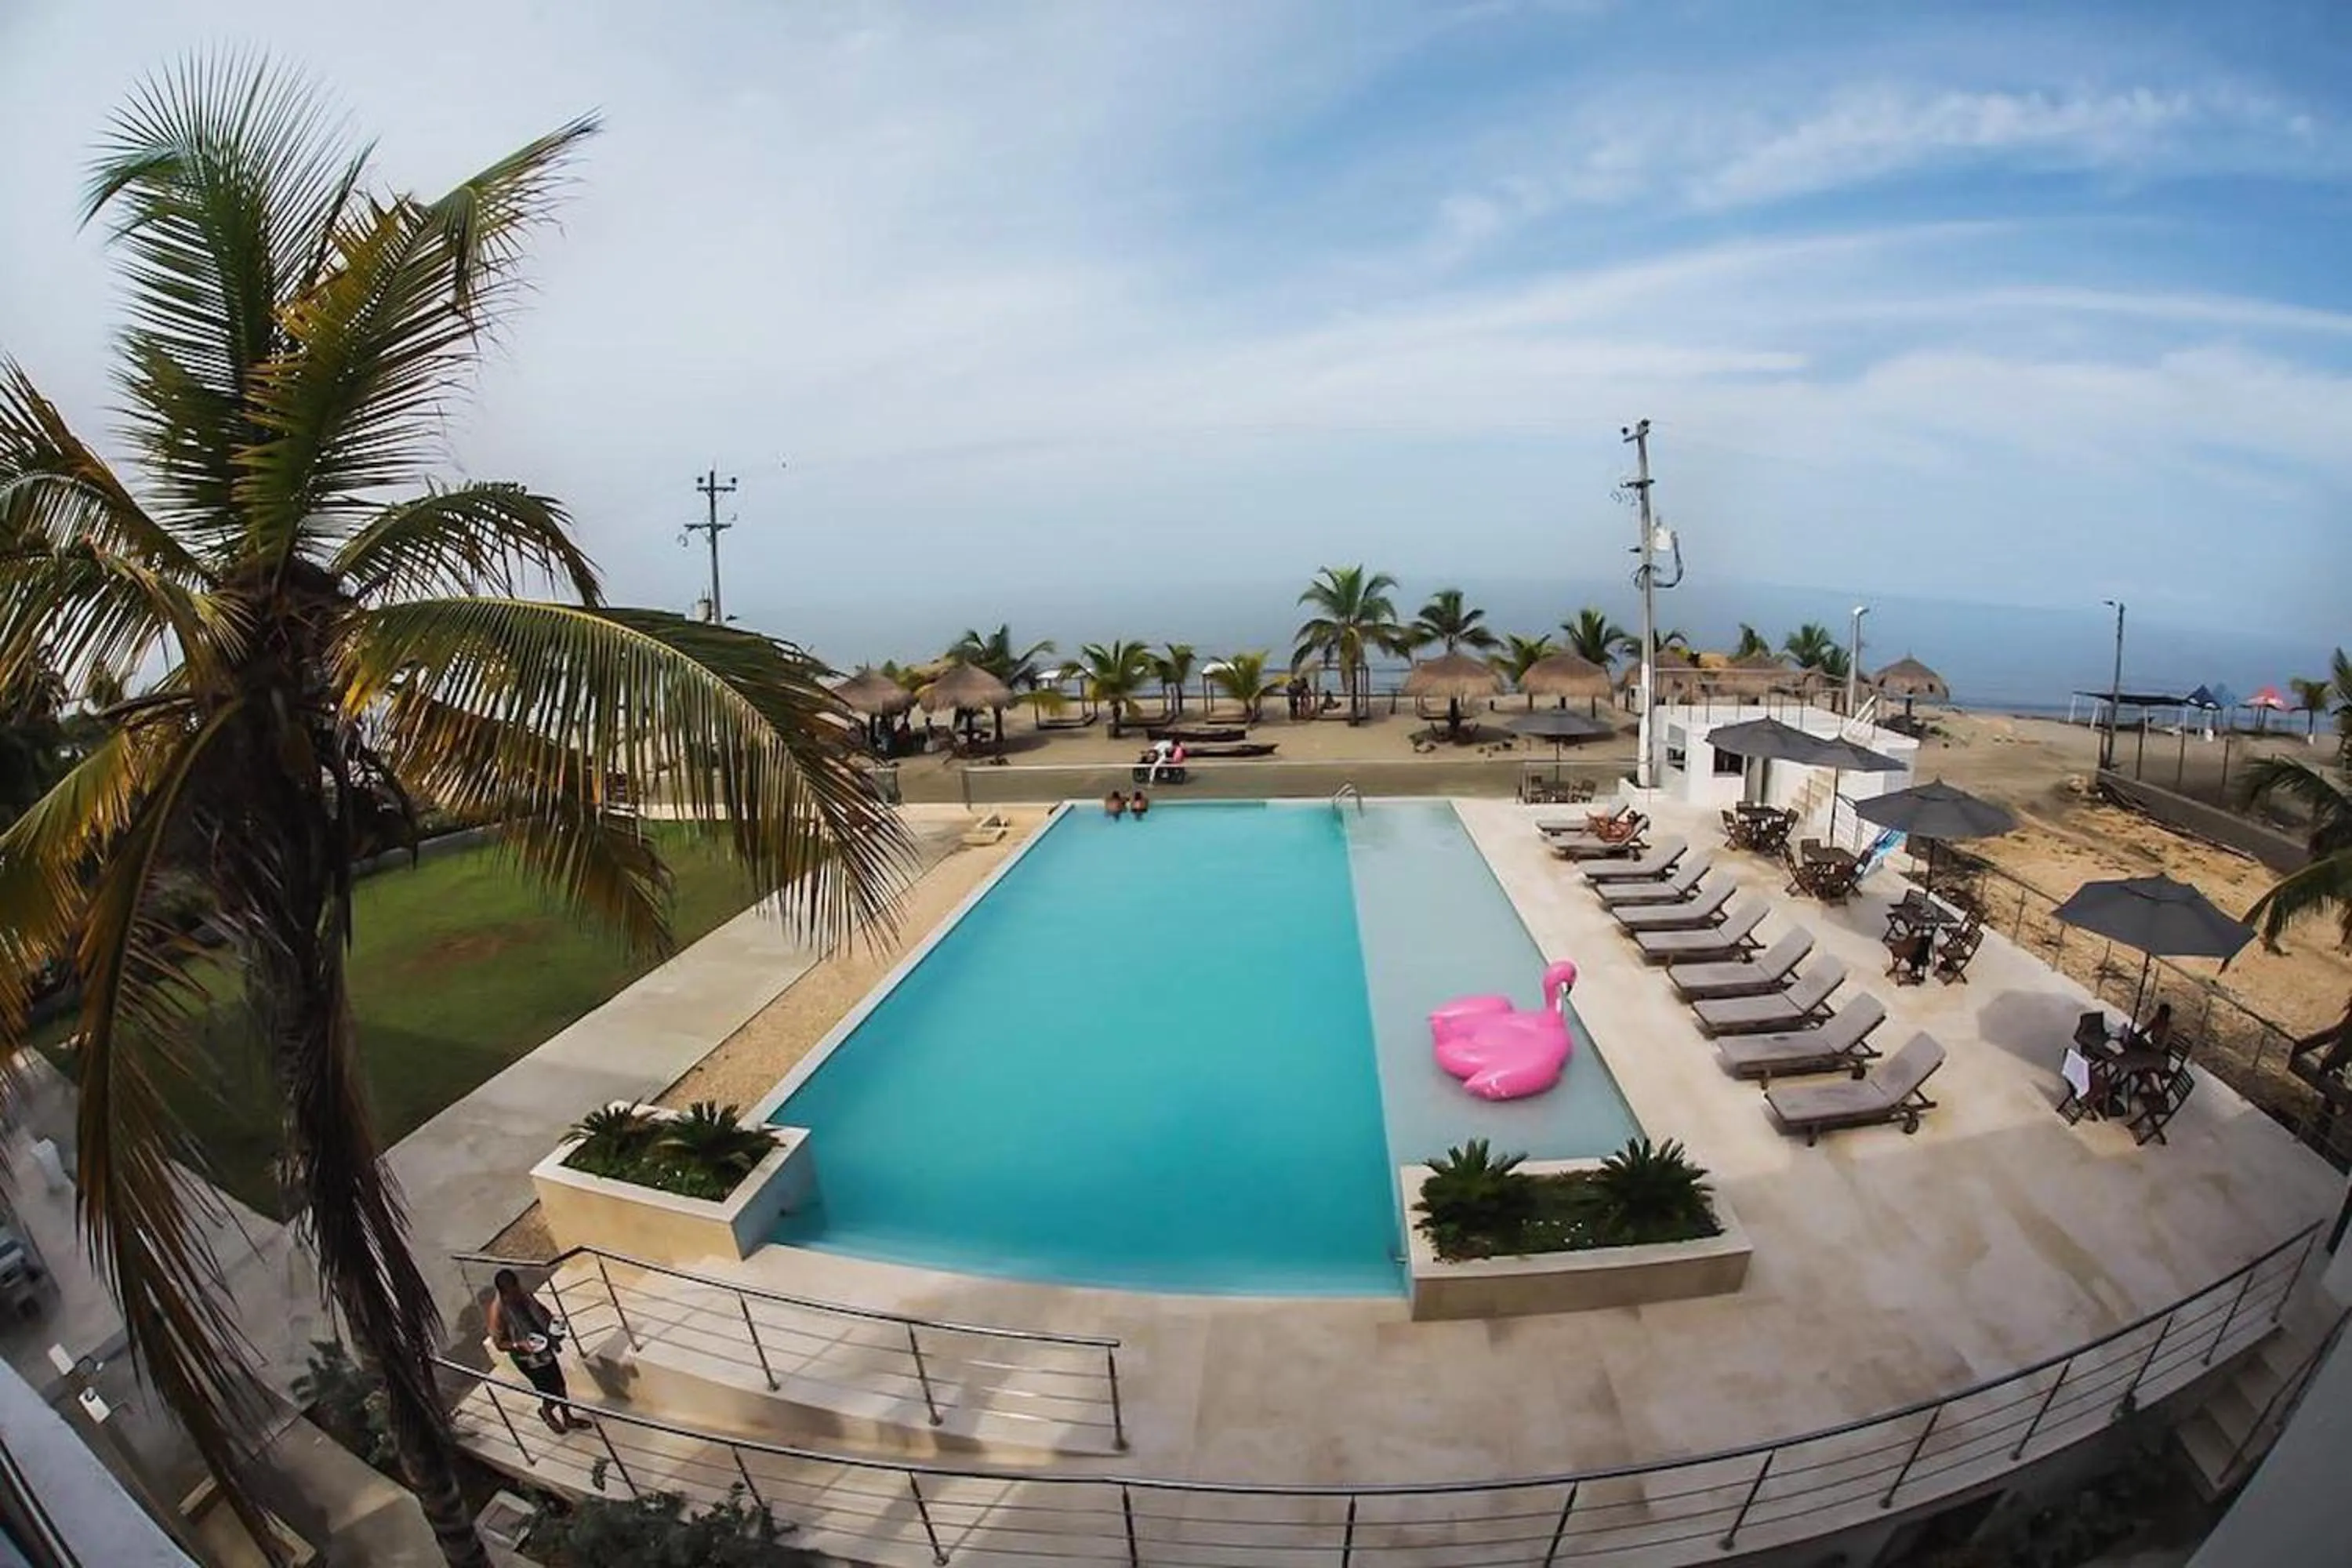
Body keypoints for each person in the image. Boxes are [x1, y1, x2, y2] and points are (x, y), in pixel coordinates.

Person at [486, 1269, 589, 1435]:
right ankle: (546, 1411)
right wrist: (518, 1344)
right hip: (526, 1358)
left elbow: (542, 1311)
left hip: (543, 1347)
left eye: (516, 1289)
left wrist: (555, 1325)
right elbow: (499, 1344)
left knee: (561, 1385)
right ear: (504, 1293)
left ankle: (567, 1417)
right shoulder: (497, 1313)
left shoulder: (524, 1295)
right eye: (512, 1293)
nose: (516, 1295)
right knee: (550, 1393)